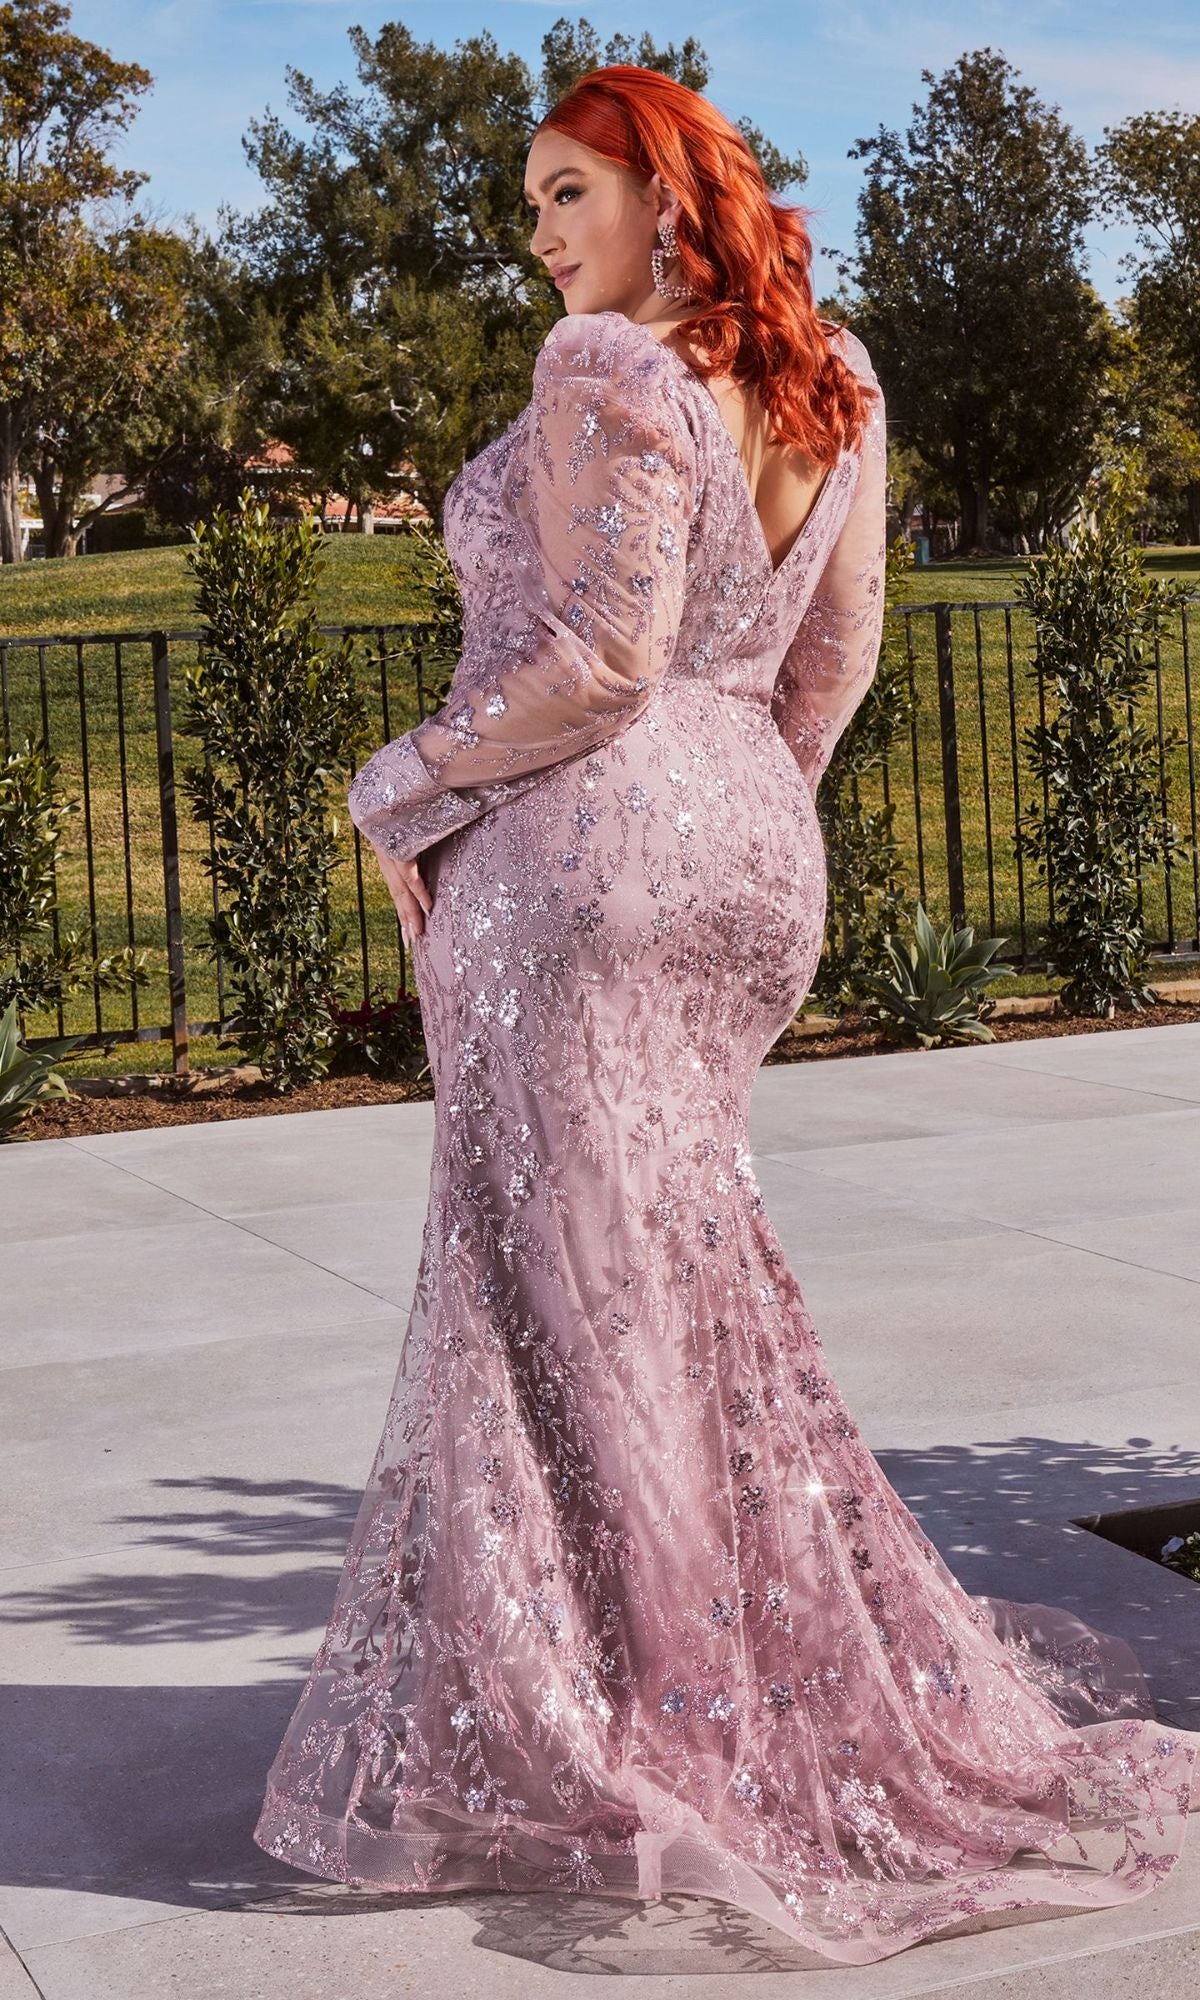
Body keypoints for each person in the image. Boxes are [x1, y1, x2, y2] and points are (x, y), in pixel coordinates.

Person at [253, 65, 1196, 1965]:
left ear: (664, 192)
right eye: (531, 201)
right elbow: (833, 656)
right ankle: (698, 1686)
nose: (537, 233)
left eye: (565, 190)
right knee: (679, 1281)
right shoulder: (835, 375)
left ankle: (628, 1718)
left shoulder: (602, 366)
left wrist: (392, 786)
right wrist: (743, 807)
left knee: (546, 1301)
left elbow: (598, 656)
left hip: (581, 865)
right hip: (751, 851)